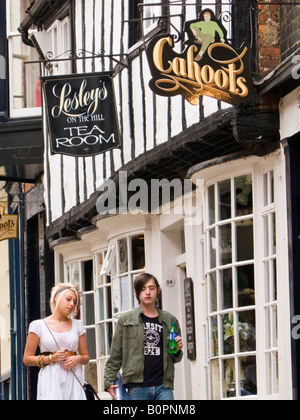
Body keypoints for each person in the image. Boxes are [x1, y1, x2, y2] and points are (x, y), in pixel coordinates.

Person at [104, 273, 183, 401]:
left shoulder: (170, 320)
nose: (148, 292)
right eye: (143, 289)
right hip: (136, 387)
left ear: (157, 290)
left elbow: (174, 357)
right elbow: (116, 354)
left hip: (163, 386)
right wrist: (108, 382)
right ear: (136, 292)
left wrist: (177, 349)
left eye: (152, 288)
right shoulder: (126, 320)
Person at [23, 283, 90, 400]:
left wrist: (78, 358)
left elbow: (86, 358)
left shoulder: (78, 325)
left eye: (74, 302)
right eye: (68, 299)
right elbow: (27, 359)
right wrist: (50, 358)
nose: (71, 304)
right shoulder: (38, 325)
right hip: (50, 377)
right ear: (57, 298)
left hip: (73, 376)